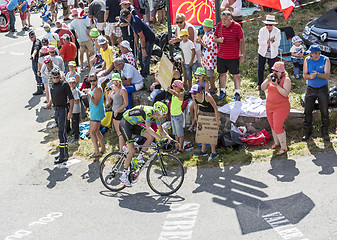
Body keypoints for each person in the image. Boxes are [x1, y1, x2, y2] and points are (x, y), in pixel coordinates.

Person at [119, 102, 173, 186]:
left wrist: (171, 140)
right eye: (162, 114)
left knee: (150, 137)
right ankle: (123, 175)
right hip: (125, 124)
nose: (163, 116)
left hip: (133, 125)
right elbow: (148, 128)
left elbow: (161, 130)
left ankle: (140, 157)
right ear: (157, 112)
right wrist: (161, 139)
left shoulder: (156, 116)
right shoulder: (148, 112)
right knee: (132, 150)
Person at [261, 61, 291, 155]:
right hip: (270, 106)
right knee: (273, 126)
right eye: (274, 70)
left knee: (278, 127)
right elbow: (262, 87)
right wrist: (267, 79)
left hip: (281, 107)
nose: (275, 72)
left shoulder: (286, 80)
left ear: (282, 72)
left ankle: (284, 147)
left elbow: (285, 93)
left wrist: (277, 85)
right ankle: (276, 143)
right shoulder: (272, 78)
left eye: (277, 71)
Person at [214, 10, 245, 101]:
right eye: (222, 19)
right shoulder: (219, 26)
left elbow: (242, 40)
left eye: (225, 19)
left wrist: (242, 54)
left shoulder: (237, 27)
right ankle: (222, 91)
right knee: (222, 74)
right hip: (221, 55)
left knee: (235, 74)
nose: (223, 21)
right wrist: (218, 40)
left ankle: (237, 92)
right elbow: (214, 38)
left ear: (230, 19)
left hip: (233, 56)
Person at [302, 44, 331, 141]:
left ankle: (325, 132)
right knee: (307, 111)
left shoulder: (325, 60)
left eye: (311, 54)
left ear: (316, 53)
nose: (309, 55)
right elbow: (304, 75)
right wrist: (310, 77)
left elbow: (327, 76)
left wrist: (318, 74)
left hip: (322, 89)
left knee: (324, 111)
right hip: (311, 88)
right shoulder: (307, 60)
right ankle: (307, 132)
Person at [120, 8, 155, 78]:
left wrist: (143, 49)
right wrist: (137, 46)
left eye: (127, 17)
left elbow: (142, 36)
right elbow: (135, 33)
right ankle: (142, 72)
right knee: (140, 57)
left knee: (145, 57)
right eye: (124, 18)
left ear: (130, 14)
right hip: (143, 39)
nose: (126, 19)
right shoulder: (131, 21)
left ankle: (146, 76)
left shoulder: (135, 21)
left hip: (148, 39)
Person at [49, 68, 74, 164]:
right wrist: (49, 104)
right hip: (57, 110)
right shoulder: (53, 85)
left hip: (63, 109)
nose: (55, 79)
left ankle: (63, 155)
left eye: (57, 77)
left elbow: (71, 99)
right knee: (60, 132)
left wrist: (70, 112)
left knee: (61, 133)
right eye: (54, 77)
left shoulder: (64, 85)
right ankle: (63, 153)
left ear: (60, 76)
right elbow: (53, 96)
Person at [191, 84, 220, 161]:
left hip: (211, 114)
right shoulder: (194, 97)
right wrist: (196, 116)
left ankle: (214, 153)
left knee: (210, 133)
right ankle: (203, 151)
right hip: (202, 114)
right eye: (192, 93)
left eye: (195, 93)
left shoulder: (207, 96)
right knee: (202, 133)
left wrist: (217, 119)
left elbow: (215, 107)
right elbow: (195, 105)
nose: (193, 95)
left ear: (200, 92)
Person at [82, 73, 106, 157]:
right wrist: (88, 91)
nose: (92, 82)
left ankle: (97, 151)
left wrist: (88, 93)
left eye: (94, 80)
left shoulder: (98, 88)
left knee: (91, 132)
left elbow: (95, 102)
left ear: (97, 80)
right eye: (91, 81)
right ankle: (103, 149)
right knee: (96, 131)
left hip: (97, 112)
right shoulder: (93, 88)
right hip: (94, 112)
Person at [256, 15, 281, 90]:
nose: (268, 26)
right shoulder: (262, 30)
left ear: (273, 25)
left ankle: (272, 84)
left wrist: (272, 41)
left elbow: (277, 44)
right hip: (262, 52)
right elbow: (260, 42)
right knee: (260, 68)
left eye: (270, 25)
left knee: (272, 70)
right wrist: (268, 41)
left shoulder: (277, 31)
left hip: (273, 53)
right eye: (266, 24)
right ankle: (259, 84)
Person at [106, 73, 128, 152]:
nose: (115, 83)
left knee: (120, 134)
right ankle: (123, 149)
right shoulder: (113, 87)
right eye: (113, 81)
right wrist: (107, 93)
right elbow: (109, 101)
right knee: (119, 133)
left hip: (120, 112)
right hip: (114, 111)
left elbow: (126, 103)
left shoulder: (123, 90)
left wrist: (117, 111)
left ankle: (121, 151)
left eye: (117, 81)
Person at [195, 18, 217, 94]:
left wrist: (201, 43)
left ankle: (213, 88)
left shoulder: (212, 35)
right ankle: (211, 87)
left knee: (211, 74)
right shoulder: (206, 34)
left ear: (208, 27)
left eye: (204, 26)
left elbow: (209, 47)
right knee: (207, 74)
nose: (203, 28)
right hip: (206, 58)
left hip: (210, 58)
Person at [167, 80, 185, 153]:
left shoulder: (180, 95)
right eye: (173, 86)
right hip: (173, 116)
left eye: (175, 86)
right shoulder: (174, 94)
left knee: (180, 134)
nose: (173, 88)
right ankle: (176, 147)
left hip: (178, 116)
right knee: (176, 134)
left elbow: (174, 93)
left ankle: (181, 148)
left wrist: (169, 89)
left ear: (179, 88)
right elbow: (174, 92)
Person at [29, 30, 43, 95]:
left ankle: (39, 89)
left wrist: (33, 55)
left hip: (36, 62)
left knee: (37, 76)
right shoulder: (36, 41)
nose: (31, 38)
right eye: (30, 37)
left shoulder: (37, 42)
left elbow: (36, 49)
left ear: (35, 36)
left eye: (32, 37)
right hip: (36, 61)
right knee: (38, 75)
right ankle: (42, 87)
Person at [68, 77, 81, 143]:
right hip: (73, 110)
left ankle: (76, 137)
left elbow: (76, 101)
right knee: (73, 123)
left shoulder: (75, 91)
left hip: (75, 110)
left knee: (75, 124)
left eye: (73, 83)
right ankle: (75, 135)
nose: (72, 84)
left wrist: (70, 100)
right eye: (70, 83)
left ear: (76, 83)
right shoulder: (71, 90)